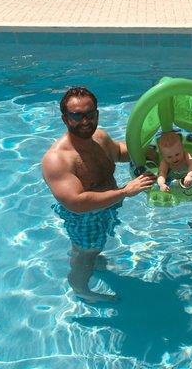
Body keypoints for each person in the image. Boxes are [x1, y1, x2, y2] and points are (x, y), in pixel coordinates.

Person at [42, 87, 155, 303]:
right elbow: (77, 203)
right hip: (84, 217)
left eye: (90, 114)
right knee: (87, 253)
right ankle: (81, 289)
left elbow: (120, 153)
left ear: (97, 113)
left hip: (108, 206)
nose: (85, 121)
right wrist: (124, 192)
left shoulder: (100, 137)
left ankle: (88, 257)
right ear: (65, 119)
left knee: (95, 247)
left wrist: (147, 151)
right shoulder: (57, 160)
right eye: (77, 115)